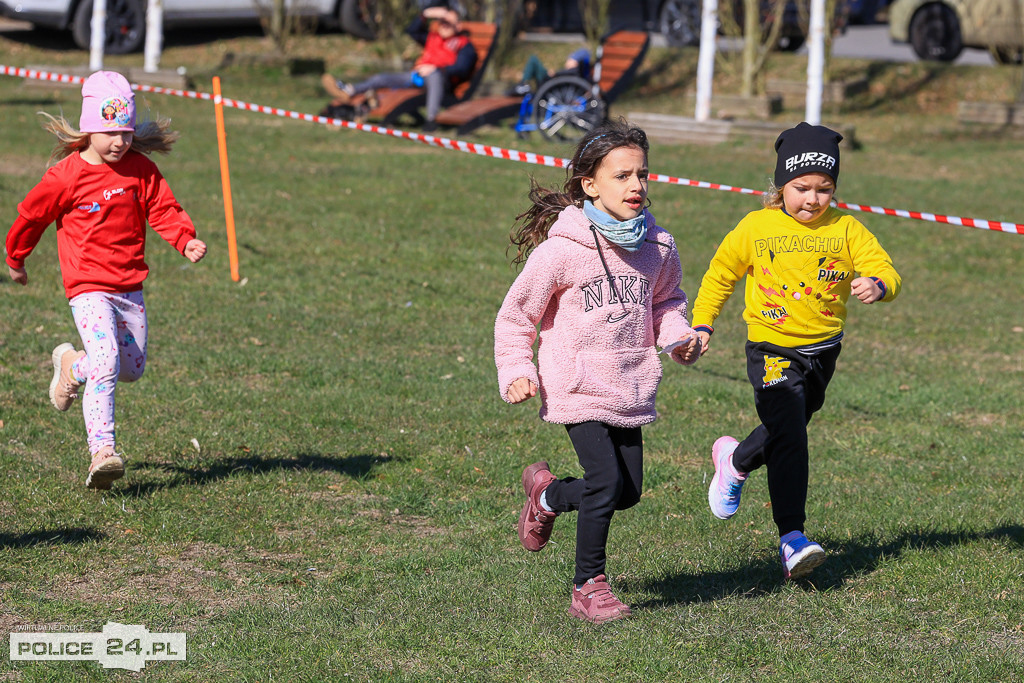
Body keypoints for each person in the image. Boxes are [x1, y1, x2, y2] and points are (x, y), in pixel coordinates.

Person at [494, 120, 701, 623]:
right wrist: (517, 368)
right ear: (590, 184)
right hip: (577, 381)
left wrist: (677, 336)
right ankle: (588, 586)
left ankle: (546, 495)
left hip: (630, 383)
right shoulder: (562, 250)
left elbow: (667, 301)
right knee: (605, 482)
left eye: (643, 175)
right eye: (622, 176)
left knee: (626, 493)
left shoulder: (659, 246)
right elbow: (517, 314)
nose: (636, 186)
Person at [690, 122, 902, 580]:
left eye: (824, 189)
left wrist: (879, 284)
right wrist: (703, 323)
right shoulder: (756, 227)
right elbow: (720, 274)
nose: (812, 198)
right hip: (770, 347)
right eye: (801, 187)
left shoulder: (847, 229)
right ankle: (792, 538)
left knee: (787, 427)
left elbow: (885, 268)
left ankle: (736, 460)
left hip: (823, 352)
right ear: (780, 185)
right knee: (792, 436)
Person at [5, 70, 207, 490]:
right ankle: (103, 451)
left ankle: (70, 366)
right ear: (89, 128)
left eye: (127, 132)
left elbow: (164, 209)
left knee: (130, 368)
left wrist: (184, 240)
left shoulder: (141, 170)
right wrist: (16, 257)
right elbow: (32, 215)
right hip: (87, 287)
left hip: (128, 287)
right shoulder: (67, 176)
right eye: (111, 132)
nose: (120, 141)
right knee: (108, 361)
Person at [320, 5, 476, 132]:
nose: (444, 25)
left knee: (434, 75)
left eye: (448, 22)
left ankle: (431, 120)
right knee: (383, 78)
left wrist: (436, 68)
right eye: (442, 21)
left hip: (441, 80)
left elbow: (461, 68)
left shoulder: (464, 44)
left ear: (458, 25)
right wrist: (425, 14)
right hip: (417, 77)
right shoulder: (432, 37)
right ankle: (350, 90)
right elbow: (412, 30)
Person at [507, 47, 592, 96]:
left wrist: (555, 73)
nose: (567, 61)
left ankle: (523, 84)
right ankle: (523, 84)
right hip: (552, 82)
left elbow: (558, 74)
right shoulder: (575, 72)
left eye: (570, 60)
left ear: (576, 62)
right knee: (533, 61)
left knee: (533, 60)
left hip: (549, 82)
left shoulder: (573, 72)